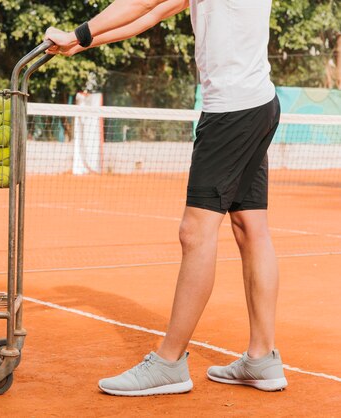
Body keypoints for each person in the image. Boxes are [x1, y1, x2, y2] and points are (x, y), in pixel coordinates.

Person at [45, 0, 288, 396]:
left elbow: (143, 1)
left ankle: (169, 362)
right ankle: (261, 358)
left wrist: (79, 32)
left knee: (195, 232)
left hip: (231, 110)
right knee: (250, 226)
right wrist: (83, 44)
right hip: (256, 101)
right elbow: (152, 13)